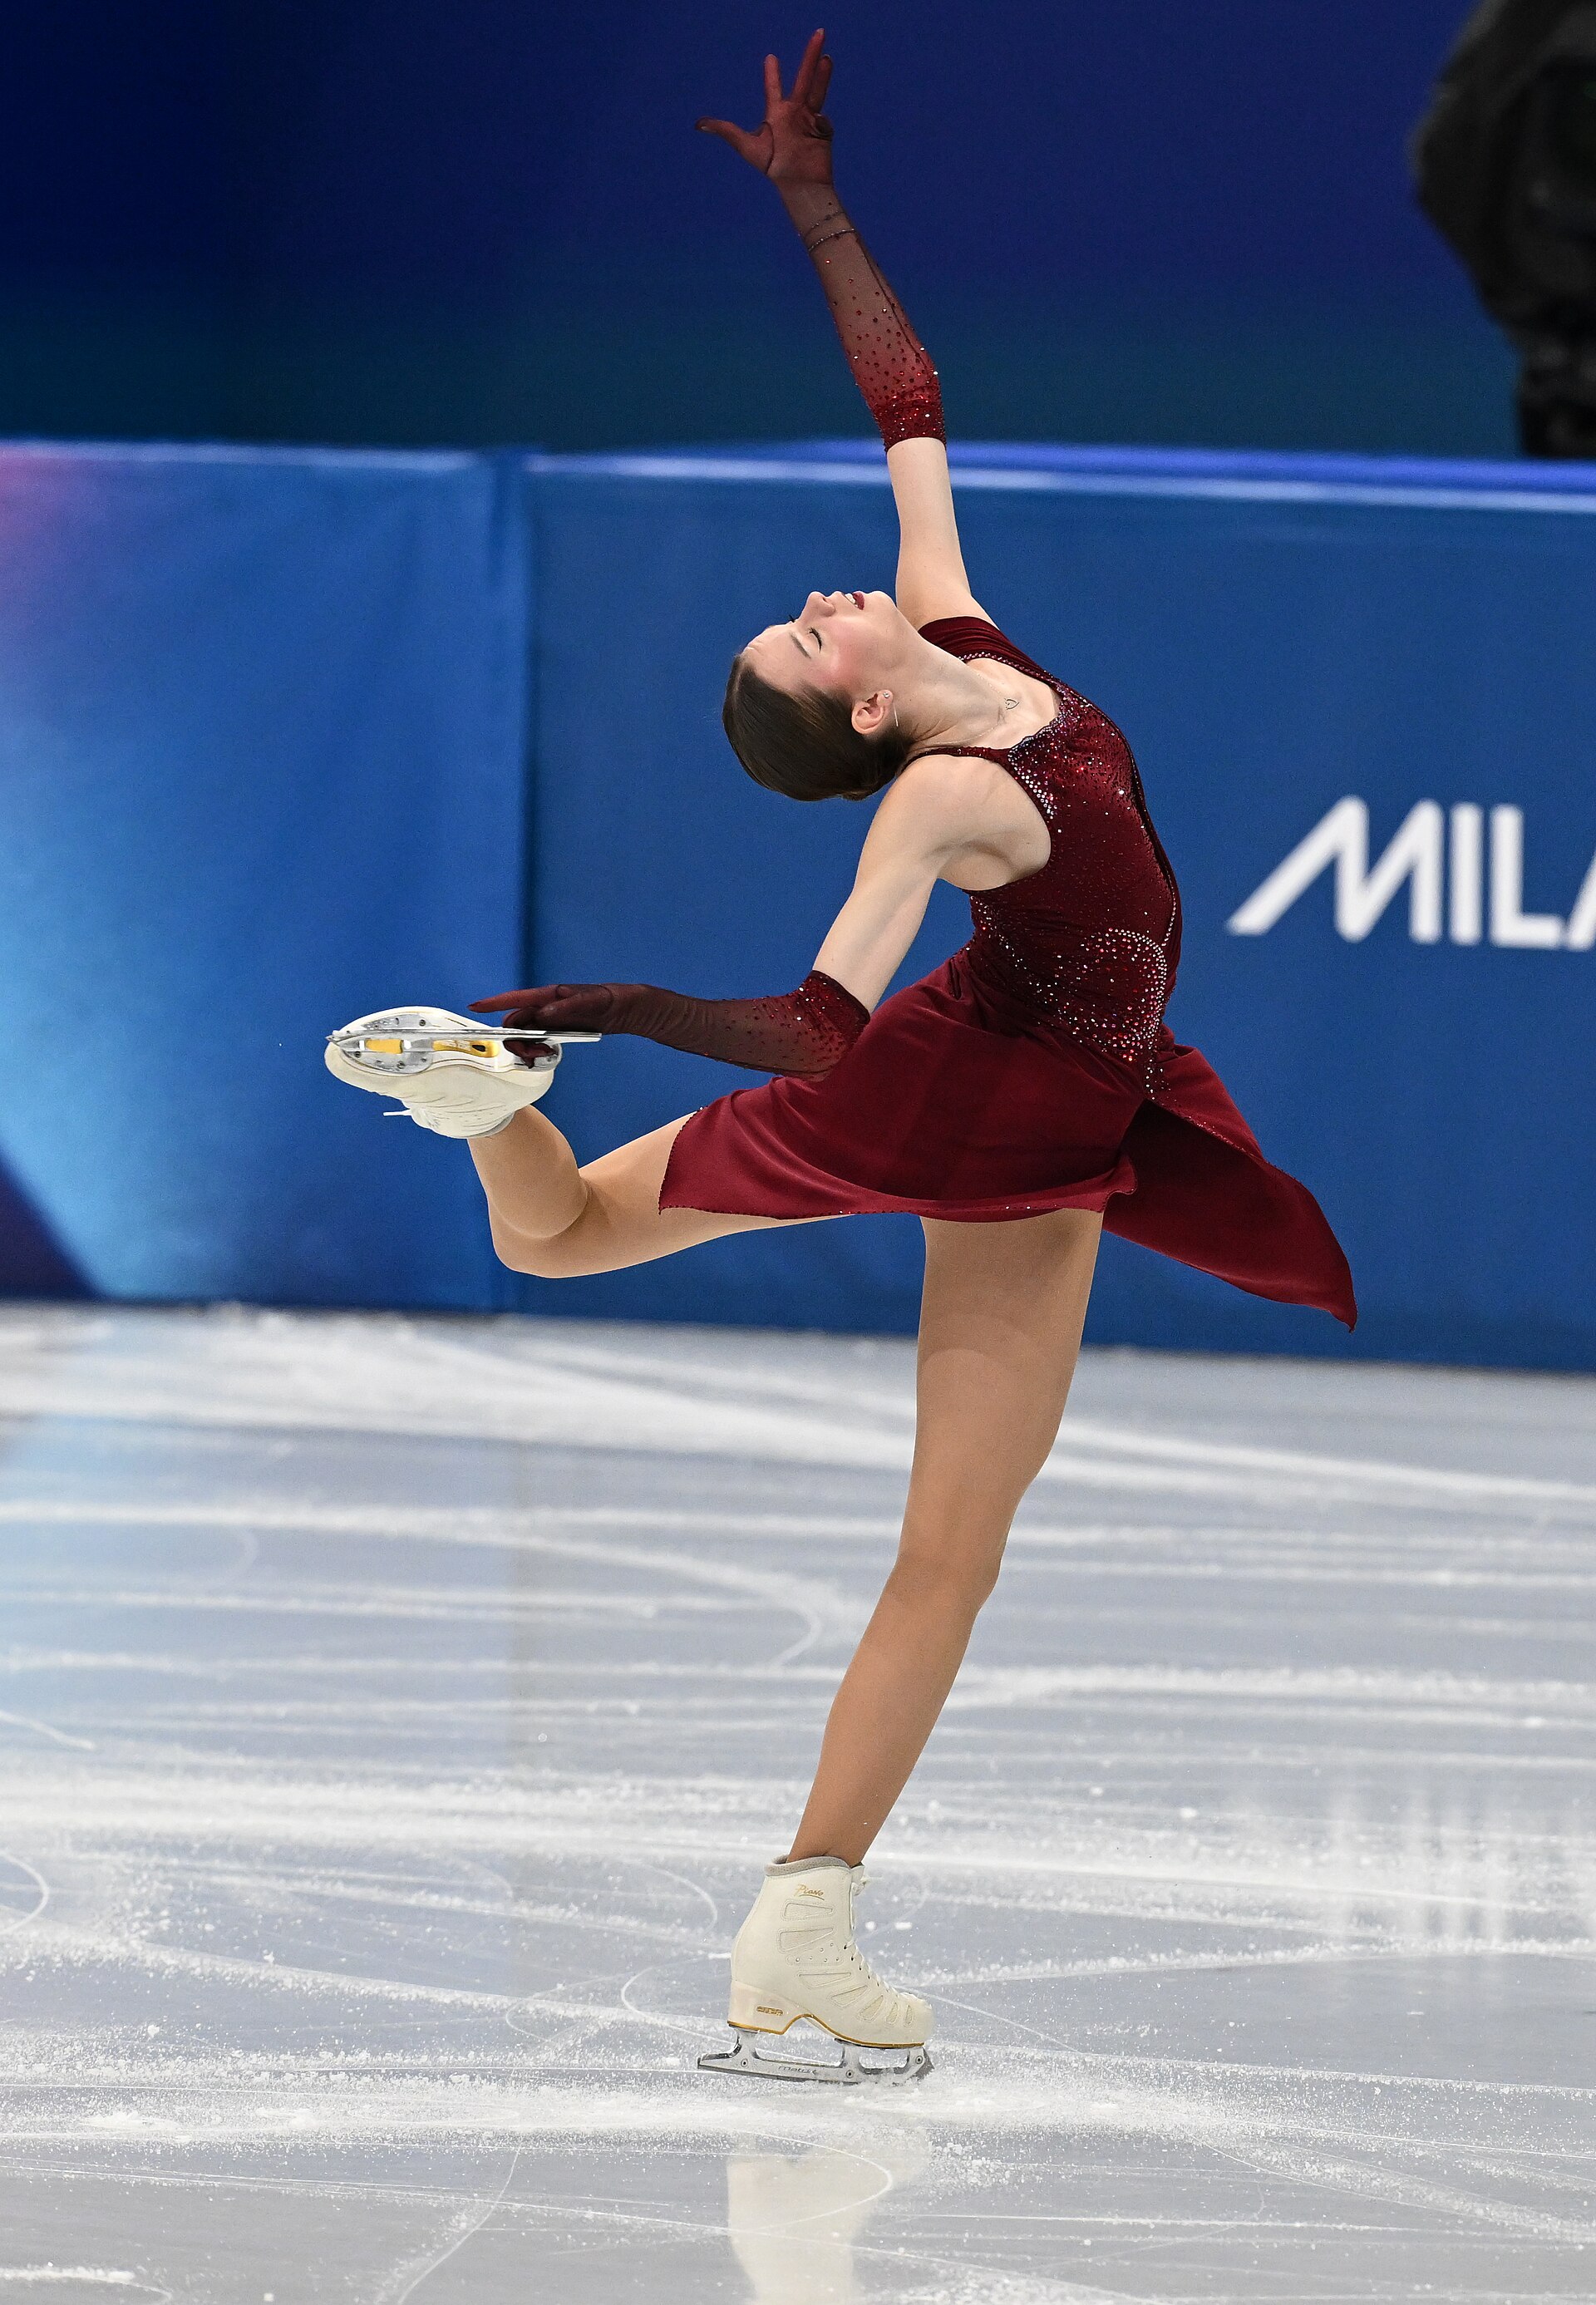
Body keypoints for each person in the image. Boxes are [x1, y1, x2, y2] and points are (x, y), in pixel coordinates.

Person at [327, 30, 1355, 2086]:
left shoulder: (967, 645)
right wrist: (611, 1011)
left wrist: (812, 200)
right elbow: (817, 1023)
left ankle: (485, 1117)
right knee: (948, 1547)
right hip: (991, 1105)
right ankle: (805, 1912)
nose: (818, 603)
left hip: (1045, 1105)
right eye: (807, 644)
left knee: (561, 1247)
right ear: (862, 718)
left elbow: (908, 401)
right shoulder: (942, 805)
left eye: (802, 619)